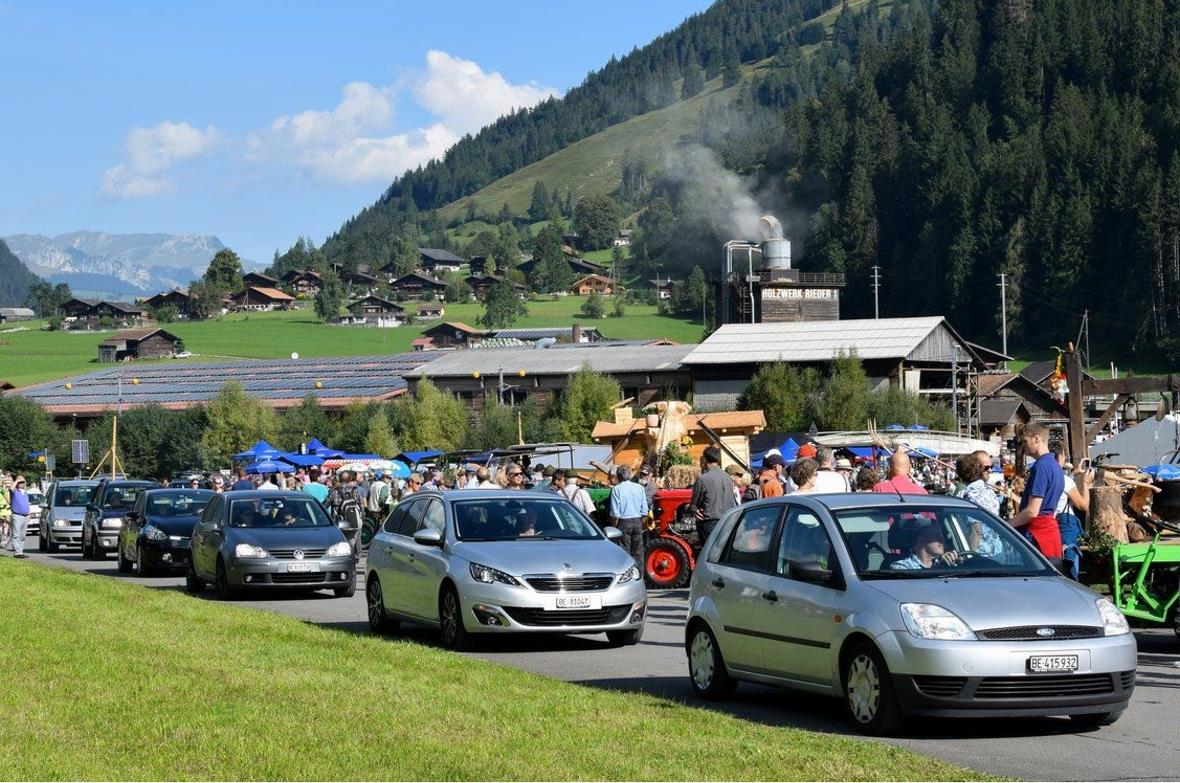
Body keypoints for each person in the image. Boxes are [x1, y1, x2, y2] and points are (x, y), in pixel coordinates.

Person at [1010, 423, 1065, 564]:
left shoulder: (1041, 467)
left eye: (1025, 441)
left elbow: (1032, 511)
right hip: (1050, 533)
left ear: (1036, 439)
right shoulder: (1056, 466)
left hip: (1037, 536)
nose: (1023, 446)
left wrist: (1007, 526)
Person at [1050, 442, 1091, 580]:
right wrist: (1086, 483)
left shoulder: (1042, 476)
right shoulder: (1065, 480)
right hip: (1065, 526)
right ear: (1061, 456)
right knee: (1070, 567)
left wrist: (1074, 474)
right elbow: (1083, 505)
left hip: (1049, 524)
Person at [954, 453, 1004, 557]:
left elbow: (976, 532)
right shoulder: (990, 491)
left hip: (981, 554)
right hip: (998, 550)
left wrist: (968, 557)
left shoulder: (967, 496)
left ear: (960, 474)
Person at [689, 446, 737, 545]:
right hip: (727, 521)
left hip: (709, 523)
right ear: (718, 460)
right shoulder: (728, 478)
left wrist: (693, 509)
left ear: (705, 460)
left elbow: (694, 504)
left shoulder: (702, 479)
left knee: (709, 553)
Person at [609, 466, 648, 564]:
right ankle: (639, 575)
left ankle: (626, 576)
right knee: (638, 553)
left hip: (623, 522)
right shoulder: (640, 488)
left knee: (624, 553)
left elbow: (615, 514)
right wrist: (639, 523)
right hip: (638, 521)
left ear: (618, 476)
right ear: (630, 475)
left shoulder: (616, 489)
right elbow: (644, 512)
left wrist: (614, 528)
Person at [890, 521, 962, 570]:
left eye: (941, 535)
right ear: (922, 540)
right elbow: (915, 588)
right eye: (936, 535)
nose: (941, 539)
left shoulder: (944, 562)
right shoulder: (901, 566)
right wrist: (940, 568)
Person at [8, 475, 30, 558]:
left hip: (25, 516)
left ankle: (20, 551)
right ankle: (17, 552)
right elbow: (11, 488)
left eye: (23, 482)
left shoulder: (25, 492)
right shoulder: (14, 491)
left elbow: (27, 503)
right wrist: (17, 480)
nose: (21, 483)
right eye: (20, 482)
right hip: (17, 515)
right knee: (16, 534)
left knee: (22, 535)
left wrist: (29, 513)